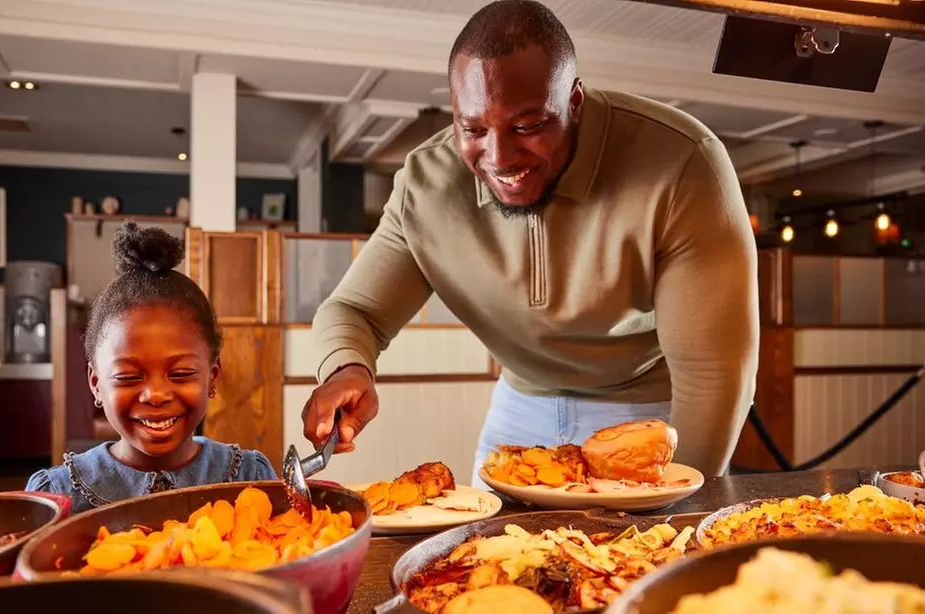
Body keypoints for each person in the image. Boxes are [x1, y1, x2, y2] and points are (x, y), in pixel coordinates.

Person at [301, 0, 758, 486]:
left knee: (639, 558)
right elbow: (354, 310)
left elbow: (711, 376)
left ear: (574, 103)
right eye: (473, 129)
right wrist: (346, 369)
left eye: (528, 126)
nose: (499, 157)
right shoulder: (425, 183)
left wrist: (683, 501)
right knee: (485, 556)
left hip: (645, 412)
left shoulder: (684, 163)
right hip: (520, 405)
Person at [27, 222, 276, 513]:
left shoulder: (251, 480)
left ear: (213, 376)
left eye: (180, 374)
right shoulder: (58, 495)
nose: (156, 395)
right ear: (96, 383)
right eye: (128, 376)